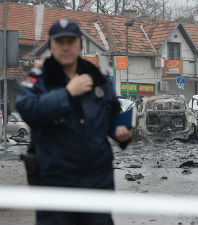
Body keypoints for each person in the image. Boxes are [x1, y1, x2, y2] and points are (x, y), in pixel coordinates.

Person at [16, 19, 132, 225]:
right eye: (60, 42)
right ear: (51, 45)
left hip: (97, 180)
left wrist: (121, 132)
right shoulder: (38, 79)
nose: (66, 47)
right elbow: (28, 110)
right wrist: (68, 93)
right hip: (54, 181)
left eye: (71, 41)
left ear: (80, 43)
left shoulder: (98, 77)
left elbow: (112, 114)